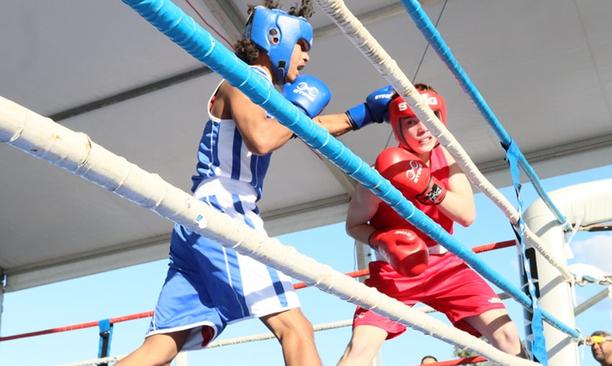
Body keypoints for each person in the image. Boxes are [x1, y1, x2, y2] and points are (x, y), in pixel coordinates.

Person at [117, 2, 392, 366]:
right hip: (223, 208)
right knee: (296, 329)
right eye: (302, 46)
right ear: (275, 38)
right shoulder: (241, 79)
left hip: (198, 217)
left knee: (164, 345)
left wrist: (362, 115)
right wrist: (300, 110)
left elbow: (299, 128)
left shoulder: (261, 92)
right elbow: (262, 138)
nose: (306, 58)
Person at [337, 84, 527, 366]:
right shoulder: (381, 172)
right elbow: (353, 224)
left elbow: (466, 215)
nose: (423, 129)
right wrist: (380, 240)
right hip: (394, 270)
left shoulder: (450, 158)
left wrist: (427, 186)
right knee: (360, 349)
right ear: (398, 126)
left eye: (429, 118)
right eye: (412, 121)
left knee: (507, 336)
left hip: (445, 266)